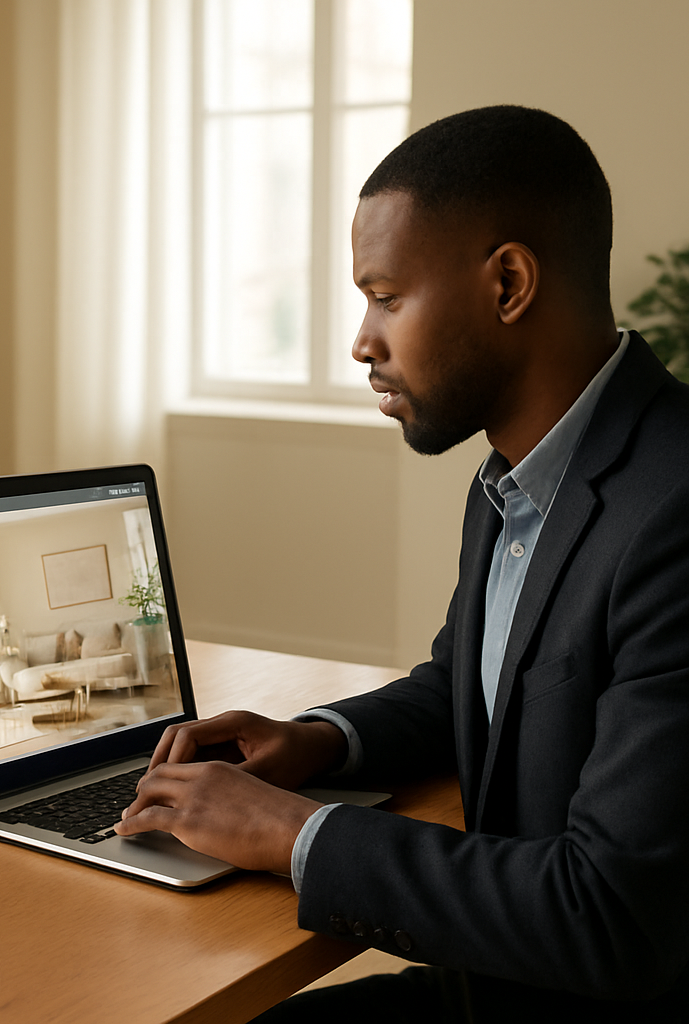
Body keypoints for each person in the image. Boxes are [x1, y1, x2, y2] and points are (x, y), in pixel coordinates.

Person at [115, 105, 689, 1020]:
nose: (362, 341)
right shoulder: (512, 479)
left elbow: (610, 915)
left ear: (507, 283)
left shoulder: (672, 511)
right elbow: (467, 683)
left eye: (386, 296)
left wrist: (293, 832)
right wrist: (314, 741)